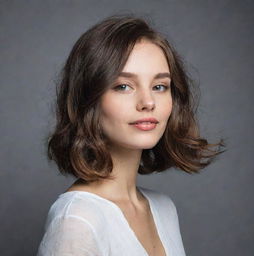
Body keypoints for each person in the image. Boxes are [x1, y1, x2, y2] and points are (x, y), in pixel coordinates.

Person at [37, 14, 225, 256]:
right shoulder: (76, 220)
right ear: (88, 100)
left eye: (159, 86)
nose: (148, 102)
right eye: (123, 86)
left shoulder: (163, 209)